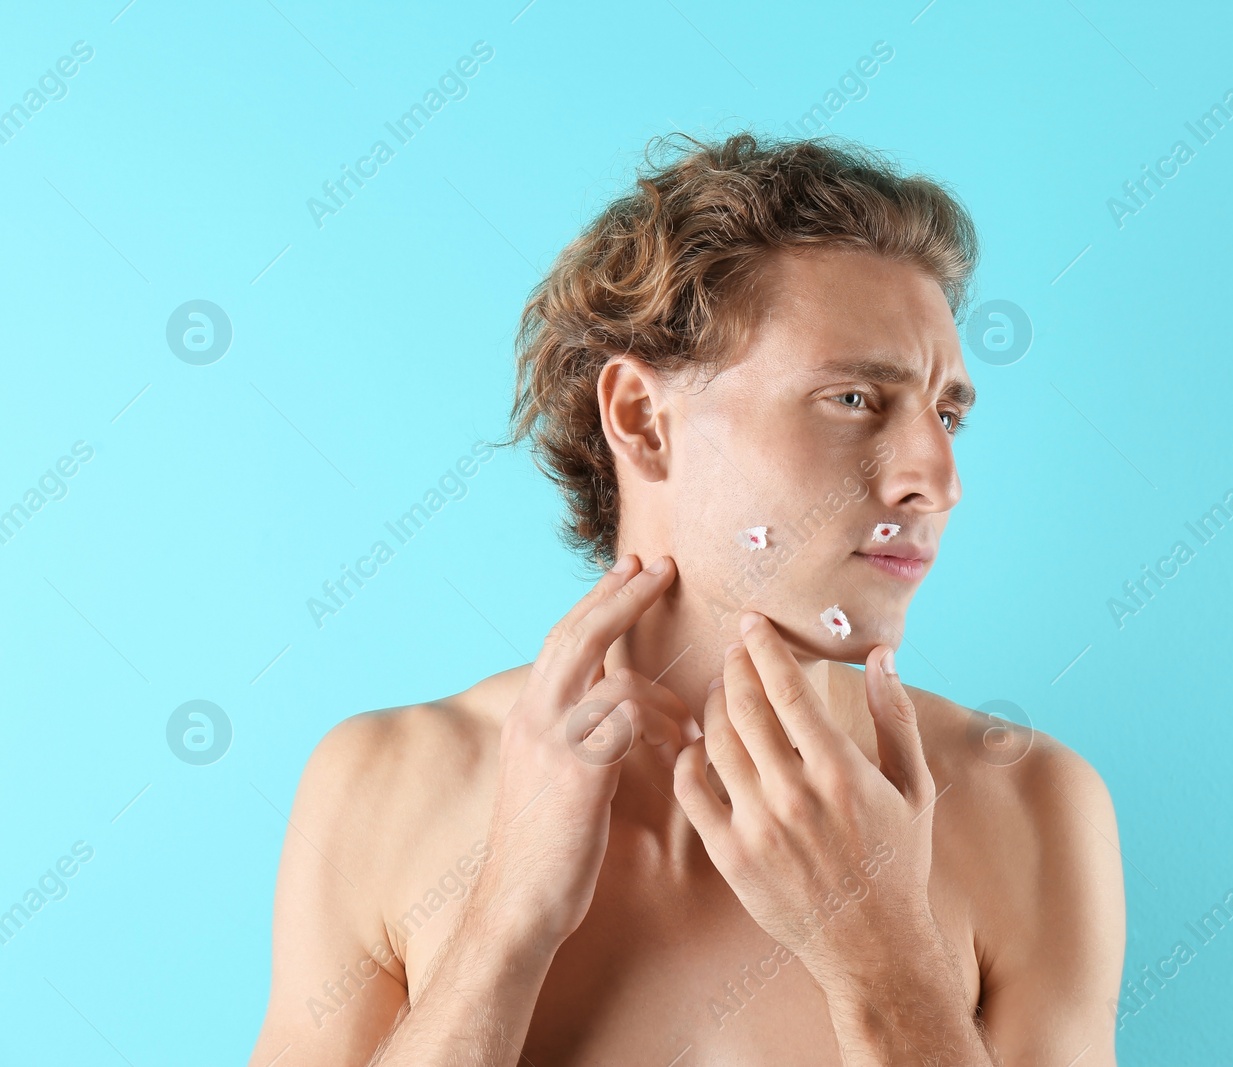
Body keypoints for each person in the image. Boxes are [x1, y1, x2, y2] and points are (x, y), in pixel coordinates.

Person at [247, 131, 1126, 1066]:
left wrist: (886, 962)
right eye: (856, 399)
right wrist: (504, 919)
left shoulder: (1028, 806)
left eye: (946, 414)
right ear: (642, 420)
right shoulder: (384, 784)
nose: (936, 478)